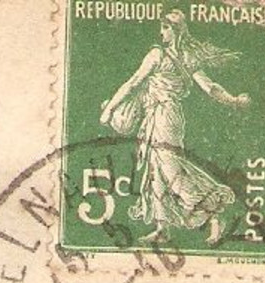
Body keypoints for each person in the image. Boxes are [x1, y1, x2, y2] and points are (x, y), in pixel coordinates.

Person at [100, 10, 251, 246]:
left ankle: (213, 215)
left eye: (165, 27)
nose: (161, 32)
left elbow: (133, 84)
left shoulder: (158, 55)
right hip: (158, 116)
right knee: (155, 171)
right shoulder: (186, 56)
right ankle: (162, 228)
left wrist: (110, 109)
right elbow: (210, 87)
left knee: (171, 170)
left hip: (165, 116)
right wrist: (233, 100)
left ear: (175, 29)